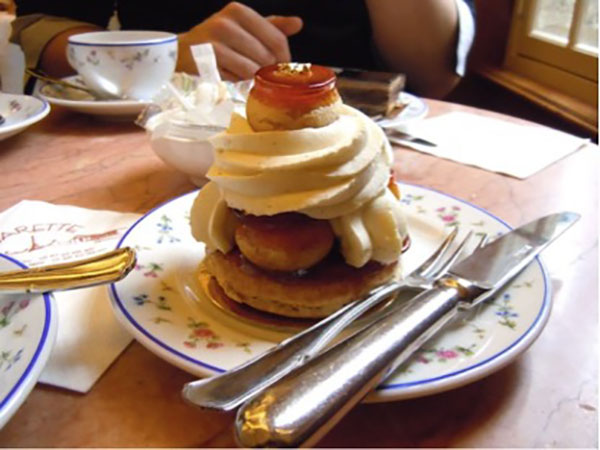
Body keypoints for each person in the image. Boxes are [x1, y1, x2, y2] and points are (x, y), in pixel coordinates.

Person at [11, 0, 475, 98]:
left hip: (369, 136)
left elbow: (433, 75)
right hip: (157, 131)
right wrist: (162, 56)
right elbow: (35, 28)